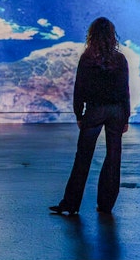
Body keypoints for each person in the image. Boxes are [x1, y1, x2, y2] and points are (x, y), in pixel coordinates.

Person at [50, 16, 131, 216]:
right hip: (116, 111)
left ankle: (70, 204)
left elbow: (80, 88)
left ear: (92, 35)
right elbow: (124, 91)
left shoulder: (88, 58)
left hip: (95, 111)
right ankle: (106, 205)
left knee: (83, 158)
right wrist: (126, 117)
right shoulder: (120, 59)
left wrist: (79, 113)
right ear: (112, 35)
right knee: (114, 158)